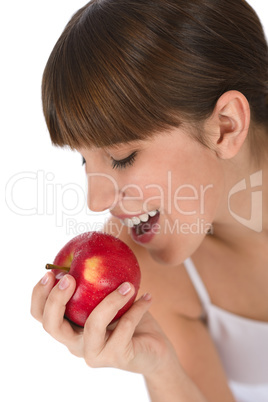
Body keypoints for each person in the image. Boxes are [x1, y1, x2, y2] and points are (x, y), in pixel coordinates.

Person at [31, 0, 268, 401]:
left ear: (226, 126)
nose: (97, 200)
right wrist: (160, 367)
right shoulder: (146, 272)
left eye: (122, 156)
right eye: (85, 161)